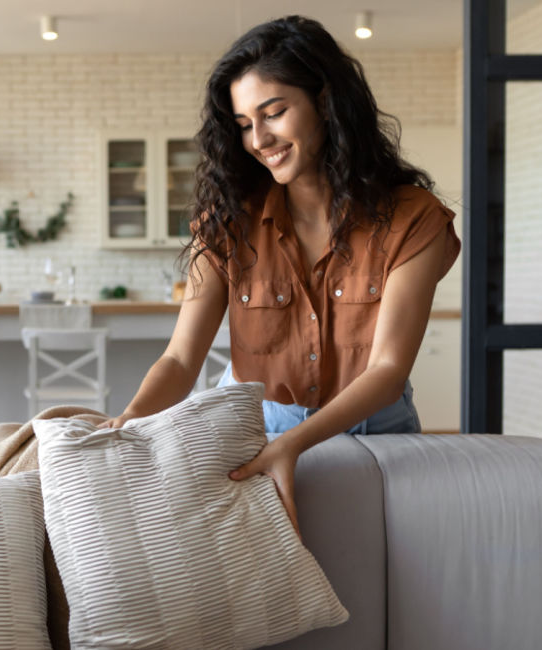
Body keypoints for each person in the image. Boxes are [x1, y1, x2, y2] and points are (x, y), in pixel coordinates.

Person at [99, 16, 461, 532]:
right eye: (244, 124)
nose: (259, 139)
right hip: (259, 430)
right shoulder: (227, 221)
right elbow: (181, 359)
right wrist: (130, 420)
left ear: (327, 103)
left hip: (380, 434)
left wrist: (292, 446)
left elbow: (386, 371)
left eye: (274, 113)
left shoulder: (412, 217)